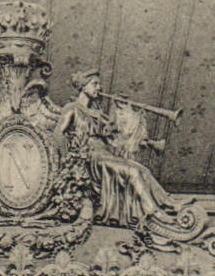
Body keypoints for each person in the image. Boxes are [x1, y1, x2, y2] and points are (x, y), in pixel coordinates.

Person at [55, 69, 177, 228]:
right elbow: (58, 134)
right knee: (132, 172)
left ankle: (168, 203)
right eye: (95, 84)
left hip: (105, 153)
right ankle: (153, 212)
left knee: (142, 169)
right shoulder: (72, 108)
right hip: (91, 156)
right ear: (84, 87)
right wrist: (69, 160)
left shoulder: (97, 114)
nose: (99, 88)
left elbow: (114, 139)